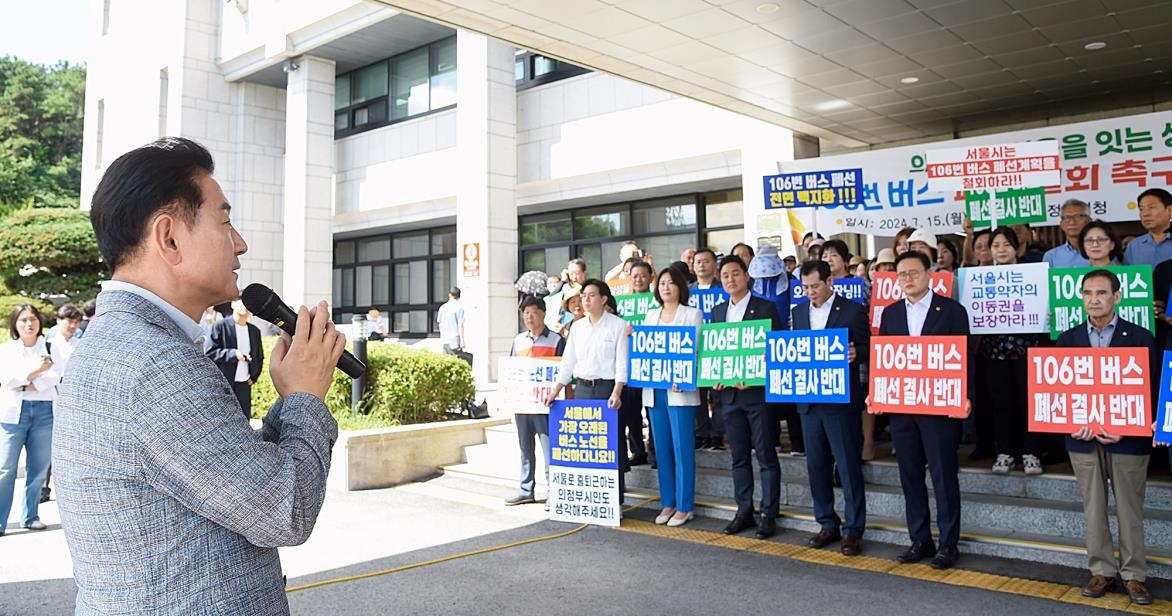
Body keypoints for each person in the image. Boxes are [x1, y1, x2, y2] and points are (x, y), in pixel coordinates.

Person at [54, 137, 346, 613]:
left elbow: (235, 481)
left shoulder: (124, 343)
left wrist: (292, 396)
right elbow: (284, 509)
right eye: (225, 220)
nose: (241, 243)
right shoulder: (155, 364)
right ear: (168, 238)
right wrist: (306, 398)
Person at [1056, 269, 1155, 606]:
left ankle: (1134, 576)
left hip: (1128, 438)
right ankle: (1101, 570)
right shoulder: (1066, 340)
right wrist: (1068, 422)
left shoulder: (1142, 337)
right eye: (1087, 293)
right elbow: (1056, 392)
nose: (1094, 299)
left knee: (1130, 508)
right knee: (1093, 506)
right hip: (1082, 438)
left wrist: (1127, 426)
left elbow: (1152, 392)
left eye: (1101, 293)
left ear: (1117, 296)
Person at [871, 251, 972, 570]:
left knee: (943, 476)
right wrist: (877, 394)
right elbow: (884, 360)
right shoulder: (891, 314)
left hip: (940, 407)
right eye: (902, 274)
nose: (908, 279)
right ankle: (919, 538)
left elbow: (965, 357)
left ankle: (948, 543)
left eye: (914, 272)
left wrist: (965, 396)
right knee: (910, 474)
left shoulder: (953, 311)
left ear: (930, 274)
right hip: (902, 409)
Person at [792, 260, 870, 556]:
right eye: (805, 287)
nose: (810, 292)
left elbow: (868, 348)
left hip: (840, 402)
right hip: (809, 402)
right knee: (817, 467)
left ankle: (853, 530)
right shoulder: (798, 312)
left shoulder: (852, 310)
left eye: (815, 286)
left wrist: (856, 352)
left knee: (848, 467)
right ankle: (826, 522)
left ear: (830, 282)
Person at [711, 255, 783, 540]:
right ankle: (744, 510)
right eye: (725, 275)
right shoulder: (717, 312)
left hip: (758, 395)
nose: (731, 279)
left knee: (766, 456)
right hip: (729, 397)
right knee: (738, 458)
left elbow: (776, 351)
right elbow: (714, 351)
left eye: (735, 274)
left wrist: (754, 374)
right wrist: (714, 375)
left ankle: (769, 514)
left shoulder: (766, 308)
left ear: (747, 276)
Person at [543, 279, 631, 502]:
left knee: (611, 445)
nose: (585, 300)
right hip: (582, 388)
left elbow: (622, 362)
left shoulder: (617, 325)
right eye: (583, 296)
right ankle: (588, 499)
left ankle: (614, 501)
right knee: (586, 445)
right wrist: (556, 389)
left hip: (607, 389)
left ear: (603, 299)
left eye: (591, 295)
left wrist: (617, 391)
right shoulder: (577, 327)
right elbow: (568, 361)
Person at [980, 228, 1047, 476]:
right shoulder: (982, 278)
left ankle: (1032, 453)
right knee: (1001, 403)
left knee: (1029, 402)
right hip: (994, 352)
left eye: (1006, 245)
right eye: (996, 245)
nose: (1001, 250)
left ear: (1017, 247)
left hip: (1028, 351)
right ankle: (1005, 452)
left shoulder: (1033, 274)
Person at [642, 267, 703, 527]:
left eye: (671, 283)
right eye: (662, 283)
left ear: (681, 286)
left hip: (680, 391)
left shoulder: (692, 314)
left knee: (682, 448)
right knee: (663, 449)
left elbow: (697, 352)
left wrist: (685, 376)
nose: (666, 287)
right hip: (655, 391)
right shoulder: (650, 315)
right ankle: (667, 501)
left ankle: (685, 505)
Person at [1, 304, 64, 535]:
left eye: (33, 319)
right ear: (15, 324)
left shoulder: (50, 346)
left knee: (38, 469)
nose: (29, 324)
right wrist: (37, 371)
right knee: (5, 468)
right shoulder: (7, 350)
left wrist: (27, 382)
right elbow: (7, 379)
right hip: (13, 414)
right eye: (23, 320)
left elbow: (57, 374)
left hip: (44, 410)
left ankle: (30, 515)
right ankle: (1, 520)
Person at [505, 296, 566, 507]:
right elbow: (511, 370)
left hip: (546, 405)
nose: (529, 317)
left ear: (543, 313)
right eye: (525, 313)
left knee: (549, 448)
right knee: (525, 448)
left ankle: (554, 491)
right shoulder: (518, 340)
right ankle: (525, 489)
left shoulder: (557, 340)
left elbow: (564, 373)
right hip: (523, 403)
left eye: (533, 312)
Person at [41, 304, 84, 504]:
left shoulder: (81, 343)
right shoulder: (48, 343)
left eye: (76, 322)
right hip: (51, 396)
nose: (72, 326)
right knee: (47, 447)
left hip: (74, 399)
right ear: (59, 321)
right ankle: (44, 487)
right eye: (69, 321)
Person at [206, 299, 265, 419]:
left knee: (244, 418)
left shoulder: (254, 331)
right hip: (224, 382)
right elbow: (209, 352)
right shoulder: (220, 326)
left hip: (244, 383)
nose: (245, 306)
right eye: (241, 301)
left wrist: (254, 377)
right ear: (233, 304)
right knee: (223, 418)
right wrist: (233, 354)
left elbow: (259, 357)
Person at [689, 248, 724, 451]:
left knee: (718, 393)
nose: (702, 265)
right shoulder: (687, 290)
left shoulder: (723, 289)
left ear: (714, 265)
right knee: (698, 396)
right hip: (695, 350)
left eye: (706, 261)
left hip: (717, 348)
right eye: (698, 262)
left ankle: (717, 434)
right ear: (693, 266)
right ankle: (702, 432)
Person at [1125, 188, 1172, 266]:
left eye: (1151, 207)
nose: (1145, 214)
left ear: (1170, 210)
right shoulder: (1134, 246)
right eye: (1141, 209)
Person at [1043, 199, 1092, 268]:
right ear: (1061, 224)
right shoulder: (1051, 256)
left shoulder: (1100, 251)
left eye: (1078, 217)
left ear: (1089, 221)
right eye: (1067, 218)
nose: (1072, 222)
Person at [437, 286, 466, 355]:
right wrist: (462, 341)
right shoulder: (459, 308)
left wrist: (442, 335)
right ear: (459, 296)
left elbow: (440, 324)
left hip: (445, 340)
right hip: (455, 340)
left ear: (450, 295)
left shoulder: (442, 307)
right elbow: (460, 325)